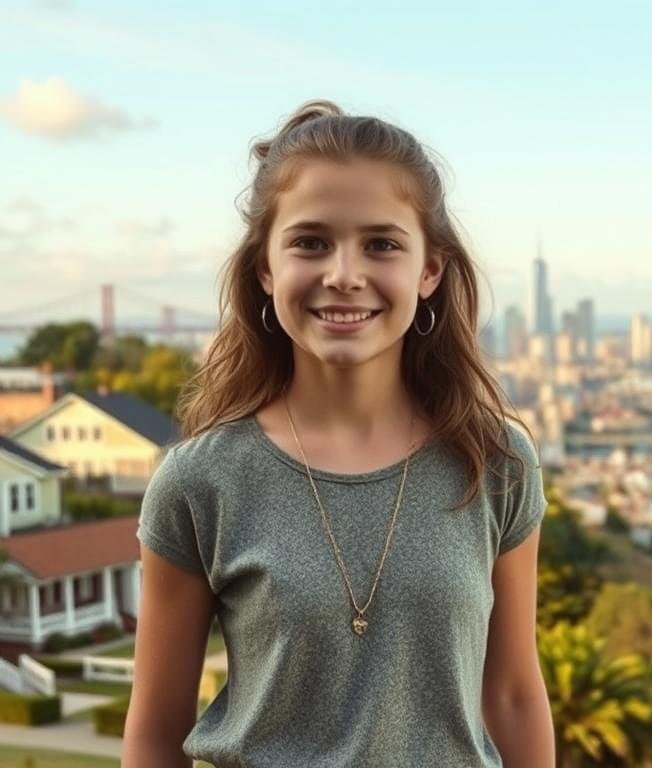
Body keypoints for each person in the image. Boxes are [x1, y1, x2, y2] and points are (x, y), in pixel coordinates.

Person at [122, 100, 555, 768]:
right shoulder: (199, 482)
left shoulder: (494, 462)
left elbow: (515, 697)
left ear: (430, 271)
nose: (345, 275)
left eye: (381, 244)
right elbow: (154, 733)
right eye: (311, 242)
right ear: (266, 269)